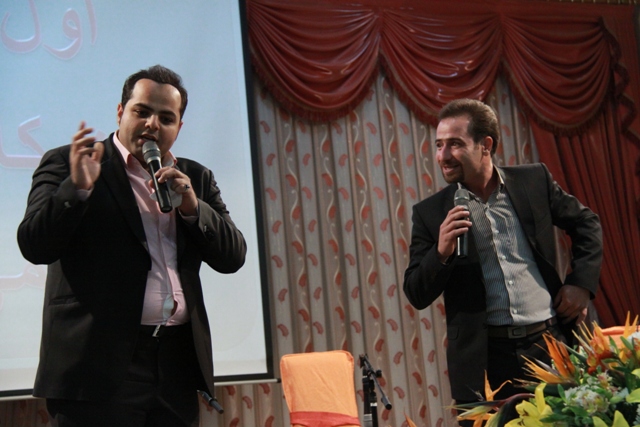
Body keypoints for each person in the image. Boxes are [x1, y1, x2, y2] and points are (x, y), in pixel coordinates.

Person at [17, 65, 247, 426]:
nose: (153, 124)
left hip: (174, 365)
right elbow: (35, 245)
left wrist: (193, 208)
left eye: (166, 118)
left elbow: (233, 257)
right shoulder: (70, 163)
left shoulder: (195, 178)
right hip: (96, 368)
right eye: (142, 111)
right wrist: (76, 190)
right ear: (120, 112)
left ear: (179, 127)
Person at [403, 99, 603, 405]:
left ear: (485, 145)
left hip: (551, 344)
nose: (443, 156)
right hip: (485, 361)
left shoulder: (533, 180)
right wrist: (440, 253)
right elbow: (416, 292)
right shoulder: (430, 213)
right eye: (439, 145)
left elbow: (586, 223)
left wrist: (581, 284)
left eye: (455, 144)